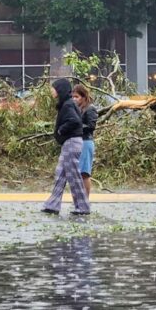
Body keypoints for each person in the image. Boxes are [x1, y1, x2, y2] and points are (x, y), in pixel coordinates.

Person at [42, 79, 90, 215]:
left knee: (73, 176)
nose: (52, 91)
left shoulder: (68, 105)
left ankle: (83, 207)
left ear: (60, 89)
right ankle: (52, 205)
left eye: (54, 88)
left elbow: (75, 121)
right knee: (60, 175)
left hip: (71, 143)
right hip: (70, 143)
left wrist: (60, 130)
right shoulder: (67, 103)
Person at [72, 84, 98, 197]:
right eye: (73, 97)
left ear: (83, 97)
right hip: (77, 142)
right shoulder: (77, 109)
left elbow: (91, 126)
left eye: (76, 97)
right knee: (77, 173)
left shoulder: (90, 108)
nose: (74, 99)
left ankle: (85, 199)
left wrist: (76, 127)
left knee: (84, 173)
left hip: (86, 142)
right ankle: (78, 198)